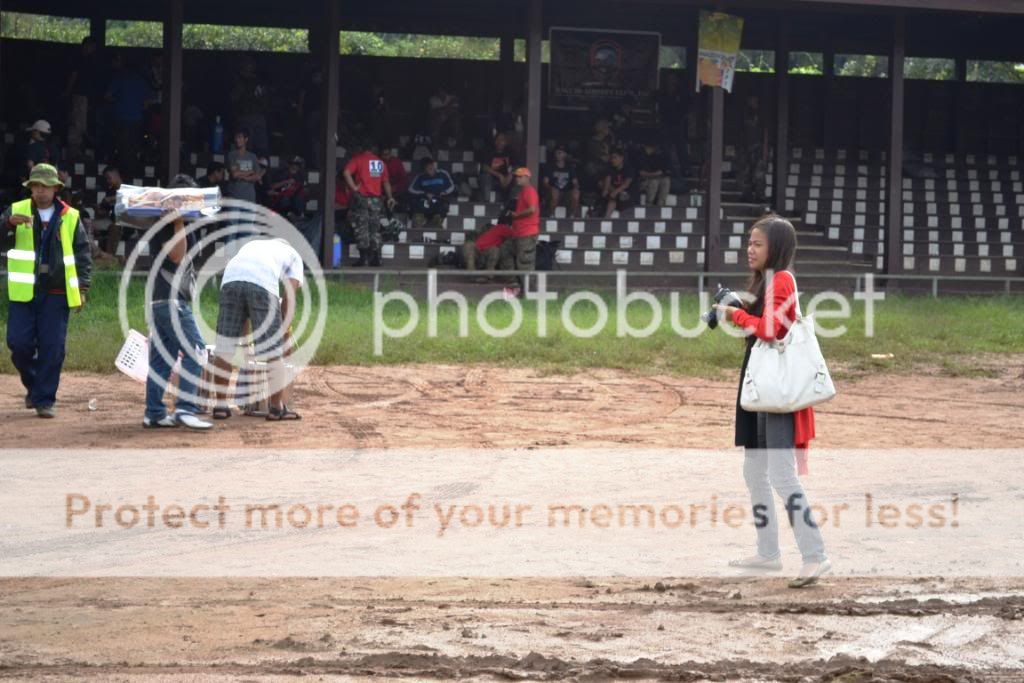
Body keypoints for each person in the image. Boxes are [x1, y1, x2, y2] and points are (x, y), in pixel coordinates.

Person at [714, 215, 830, 589]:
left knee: (780, 473)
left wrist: (735, 314)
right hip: (762, 385)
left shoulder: (782, 279)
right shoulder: (770, 280)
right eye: (749, 242)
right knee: (755, 471)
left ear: (775, 247)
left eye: (757, 243)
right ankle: (768, 553)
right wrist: (743, 309)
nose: (749, 249)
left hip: (776, 390)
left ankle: (815, 556)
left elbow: (771, 329)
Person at [2, 164, 92, 418]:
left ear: (55, 188)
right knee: (18, 344)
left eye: (45, 186)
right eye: (35, 186)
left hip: (56, 293)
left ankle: (44, 400)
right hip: (23, 292)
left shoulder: (71, 216)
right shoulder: (16, 211)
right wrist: (8, 224)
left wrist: (83, 287)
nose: (40, 191)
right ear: (30, 188)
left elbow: (83, 255)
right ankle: (34, 386)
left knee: (53, 348)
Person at [142, 174, 213, 430]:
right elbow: (176, 255)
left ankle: (154, 413)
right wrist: (179, 220)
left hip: (160, 301)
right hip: (172, 303)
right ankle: (185, 408)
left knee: (162, 359)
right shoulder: (168, 224)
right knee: (197, 352)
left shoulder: (167, 224)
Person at [210, 237, 304, 421]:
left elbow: (244, 313)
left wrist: (247, 346)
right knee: (273, 352)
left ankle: (220, 406)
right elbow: (289, 299)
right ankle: (277, 408)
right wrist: (284, 332)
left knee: (225, 348)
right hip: (262, 283)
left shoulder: (253, 246)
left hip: (230, 279)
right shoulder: (294, 256)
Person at [343, 141, 396, 267]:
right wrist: (390, 197)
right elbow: (386, 182)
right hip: (376, 200)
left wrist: (354, 188)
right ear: (373, 149)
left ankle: (364, 259)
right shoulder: (380, 162)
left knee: (362, 228)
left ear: (362, 149)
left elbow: (346, 172)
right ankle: (377, 259)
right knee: (375, 229)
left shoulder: (358, 159)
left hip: (362, 198)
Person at [498, 167, 540, 283]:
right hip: (518, 233)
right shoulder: (523, 192)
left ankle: (527, 290)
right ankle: (514, 282)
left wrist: (516, 215)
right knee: (505, 251)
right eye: (516, 176)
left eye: (520, 177)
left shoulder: (530, 191)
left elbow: (532, 209)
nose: (517, 179)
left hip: (527, 233)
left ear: (527, 177)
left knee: (525, 263)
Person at [64, 36, 102, 161]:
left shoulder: (91, 61)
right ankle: (74, 151)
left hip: (86, 97)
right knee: (78, 124)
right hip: (79, 95)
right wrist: (68, 92)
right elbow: (73, 76)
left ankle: (78, 150)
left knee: (82, 124)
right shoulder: (80, 59)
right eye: (92, 46)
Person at [736, 95, 768, 203]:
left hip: (758, 148)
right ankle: (746, 194)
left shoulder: (762, 116)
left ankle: (760, 195)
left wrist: (764, 150)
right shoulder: (744, 115)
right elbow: (741, 133)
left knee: (759, 173)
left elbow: (765, 133)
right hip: (746, 148)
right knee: (746, 173)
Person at [408, 157, 456, 228]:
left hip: (439, 199)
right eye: (427, 168)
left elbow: (452, 186)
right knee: (417, 207)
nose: (430, 169)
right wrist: (424, 194)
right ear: (424, 169)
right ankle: (421, 223)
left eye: (431, 166)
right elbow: (411, 189)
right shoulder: (420, 177)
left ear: (434, 165)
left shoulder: (442, 174)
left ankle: (436, 223)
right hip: (425, 200)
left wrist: (444, 192)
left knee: (442, 207)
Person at [540, 143, 580, 218]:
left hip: (566, 194)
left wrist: (576, 188)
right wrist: (552, 188)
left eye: (560, 153)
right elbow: (545, 182)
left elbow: (575, 182)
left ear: (565, 154)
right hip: (552, 195)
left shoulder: (570, 167)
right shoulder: (550, 167)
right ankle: (551, 215)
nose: (557, 155)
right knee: (555, 192)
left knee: (576, 193)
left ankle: (572, 216)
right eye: (556, 153)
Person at [477, 132, 515, 204]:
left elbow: (516, 166)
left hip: (506, 181)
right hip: (492, 180)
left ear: (506, 142)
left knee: (518, 179)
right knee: (485, 176)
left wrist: (509, 176)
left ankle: (511, 204)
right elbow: (484, 167)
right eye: (498, 139)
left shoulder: (510, 151)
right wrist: (499, 175)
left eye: (502, 140)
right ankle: (487, 203)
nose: (500, 142)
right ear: (495, 141)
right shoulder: (488, 150)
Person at [599, 149, 633, 218]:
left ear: (621, 158)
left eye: (615, 158)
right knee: (601, 185)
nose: (613, 160)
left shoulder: (628, 168)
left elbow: (626, 184)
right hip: (613, 195)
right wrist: (606, 190)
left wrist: (615, 192)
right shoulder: (610, 168)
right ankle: (606, 218)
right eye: (612, 158)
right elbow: (607, 180)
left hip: (625, 194)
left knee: (620, 195)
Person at [637, 140, 671, 207]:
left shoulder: (655, 157)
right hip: (642, 182)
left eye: (652, 147)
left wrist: (656, 174)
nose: (650, 149)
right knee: (654, 182)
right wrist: (654, 175)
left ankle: (661, 205)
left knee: (666, 180)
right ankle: (649, 205)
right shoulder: (641, 156)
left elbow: (663, 171)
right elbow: (641, 173)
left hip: (654, 179)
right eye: (649, 147)